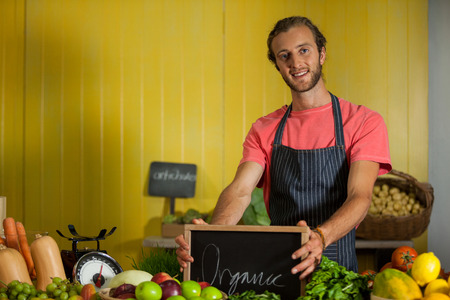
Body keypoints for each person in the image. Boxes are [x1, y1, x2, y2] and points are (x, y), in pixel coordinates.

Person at [175, 16, 392, 280]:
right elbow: (241, 191)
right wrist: (210, 236)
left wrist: (320, 237)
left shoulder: (362, 122)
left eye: (304, 50)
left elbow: (360, 196)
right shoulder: (265, 128)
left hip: (338, 277)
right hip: (277, 273)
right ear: (277, 65)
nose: (296, 63)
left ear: (321, 54)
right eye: (284, 55)